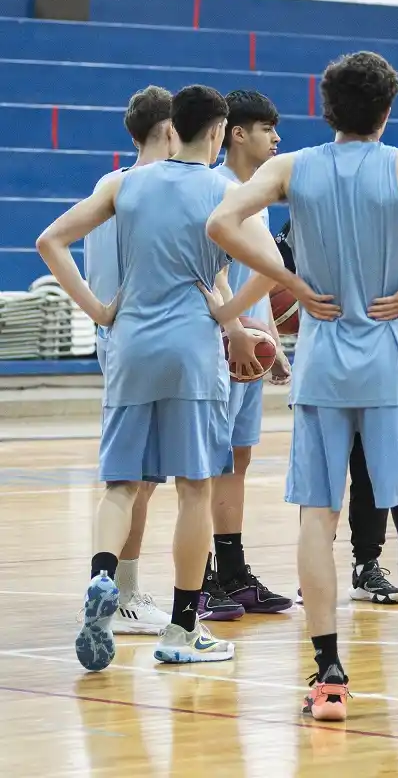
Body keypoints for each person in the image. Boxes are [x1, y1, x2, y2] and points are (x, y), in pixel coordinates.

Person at [206, 50, 398, 720]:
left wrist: (290, 282)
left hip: (321, 362)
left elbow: (221, 223)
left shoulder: (290, 168)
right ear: (387, 111)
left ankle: (329, 676)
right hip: (388, 361)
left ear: (325, 106)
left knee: (318, 515)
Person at [39, 84, 273, 670]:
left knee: (122, 484)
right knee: (194, 489)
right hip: (192, 350)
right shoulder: (227, 192)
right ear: (218, 132)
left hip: (130, 345)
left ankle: (101, 576)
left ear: (173, 130)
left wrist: (98, 310)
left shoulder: (122, 184)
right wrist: (226, 313)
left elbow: (51, 241)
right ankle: (181, 629)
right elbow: (273, 268)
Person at [280, 216, 398, 607]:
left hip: (383, 363)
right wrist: (292, 291)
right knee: (318, 487)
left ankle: (367, 565)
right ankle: (315, 569)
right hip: (326, 363)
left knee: (371, 474)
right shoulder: (307, 210)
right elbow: (275, 262)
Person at [81, 86, 178, 637]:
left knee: (134, 479)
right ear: (169, 130)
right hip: (148, 340)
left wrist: (102, 315)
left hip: (118, 339)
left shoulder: (110, 185)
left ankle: (117, 587)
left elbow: (95, 277)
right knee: (139, 480)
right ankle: (123, 593)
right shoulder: (148, 189)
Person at [200, 89, 295, 619]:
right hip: (217, 348)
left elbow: (261, 282)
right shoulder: (215, 190)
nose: (277, 139)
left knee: (238, 460)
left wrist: (272, 346)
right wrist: (235, 328)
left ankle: (233, 571)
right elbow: (208, 272)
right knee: (208, 466)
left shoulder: (258, 195)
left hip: (247, 351)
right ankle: (204, 577)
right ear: (237, 133)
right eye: (266, 129)